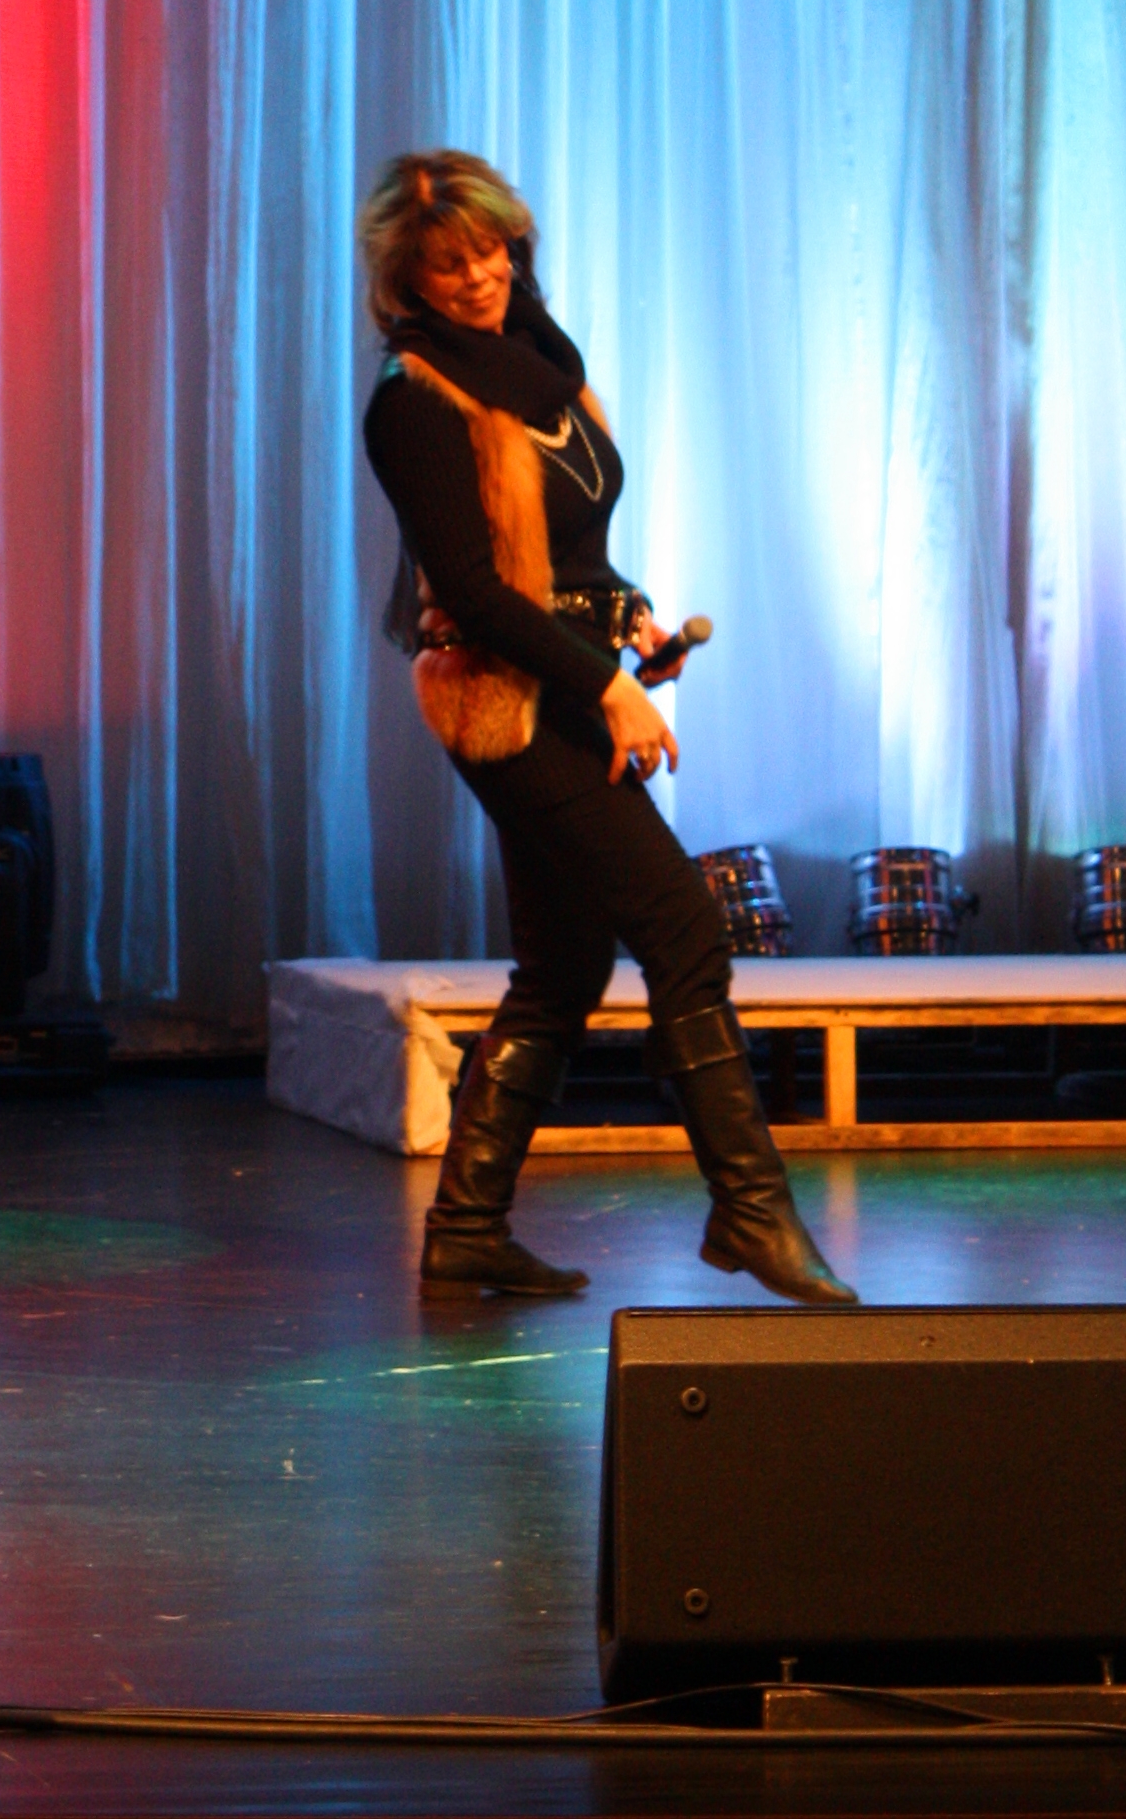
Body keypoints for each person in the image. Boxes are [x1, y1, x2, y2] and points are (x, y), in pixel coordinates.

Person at [358, 149, 855, 1308]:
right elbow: (473, 592)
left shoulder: (543, 364)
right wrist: (605, 687)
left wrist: (629, 622)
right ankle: (750, 1208)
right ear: (409, 278)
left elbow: (569, 552)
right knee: (683, 925)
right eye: (448, 263)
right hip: (503, 702)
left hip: (566, 684)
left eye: (490, 250)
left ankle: (467, 1227)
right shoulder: (414, 397)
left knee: (566, 965)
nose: (478, 276)